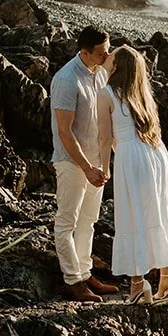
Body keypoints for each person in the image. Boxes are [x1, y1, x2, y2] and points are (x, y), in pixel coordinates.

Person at [96, 45, 168, 303]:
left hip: (132, 158)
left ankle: (138, 285)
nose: (107, 56)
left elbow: (105, 139)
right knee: (157, 212)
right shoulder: (143, 94)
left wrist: (104, 168)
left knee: (132, 216)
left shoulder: (106, 94)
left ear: (117, 66)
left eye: (111, 55)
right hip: (156, 154)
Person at [50, 26, 120, 302]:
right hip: (71, 162)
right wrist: (87, 168)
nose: (107, 56)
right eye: (102, 53)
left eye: (107, 50)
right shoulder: (67, 79)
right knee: (67, 222)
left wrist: (105, 163)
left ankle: (84, 271)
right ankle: (72, 280)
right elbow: (65, 132)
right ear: (84, 52)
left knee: (89, 222)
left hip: (95, 162)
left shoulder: (99, 72)